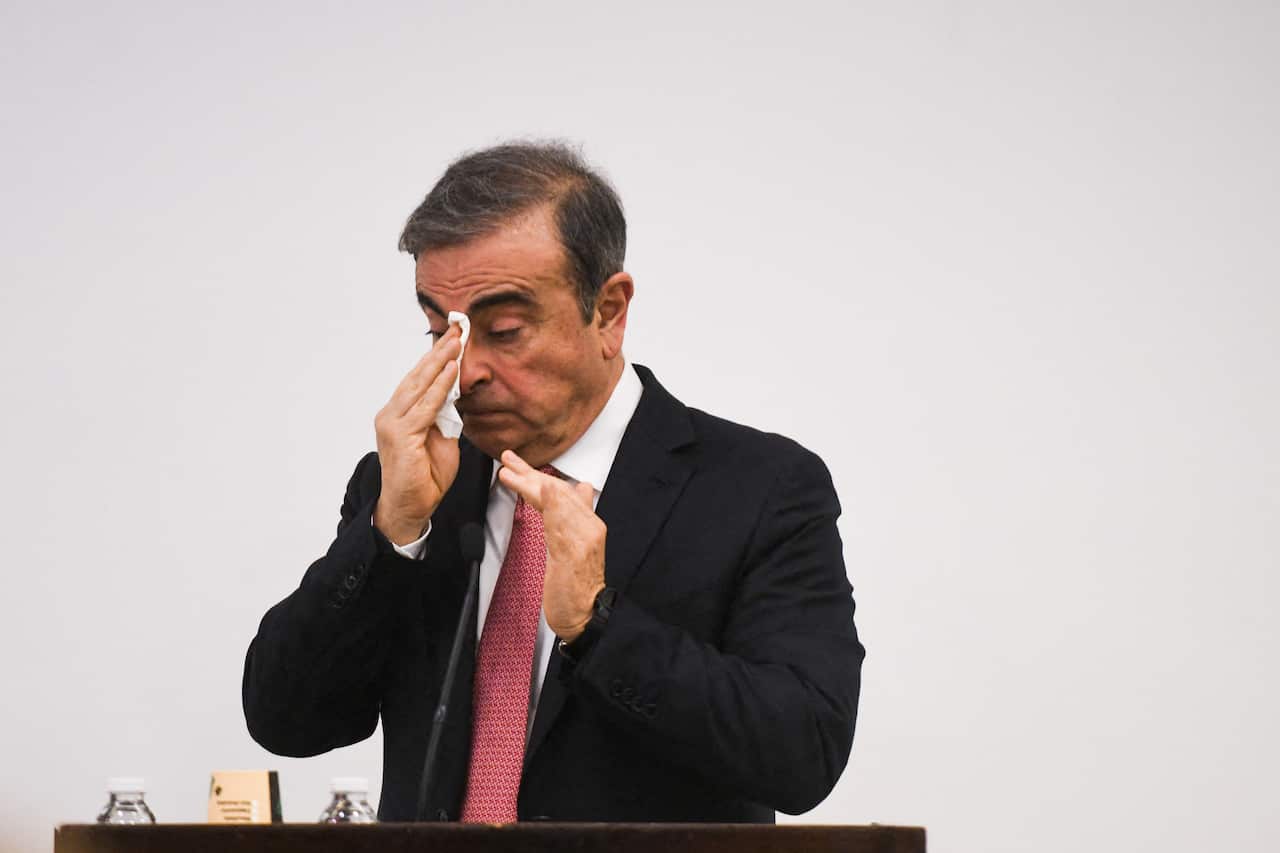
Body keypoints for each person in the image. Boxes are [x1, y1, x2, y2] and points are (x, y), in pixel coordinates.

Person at [242, 142, 864, 823]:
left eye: (504, 330)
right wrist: (390, 537)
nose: (466, 371)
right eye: (439, 332)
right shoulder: (411, 484)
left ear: (609, 311)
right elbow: (286, 718)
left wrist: (597, 625)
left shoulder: (760, 488)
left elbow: (803, 751)